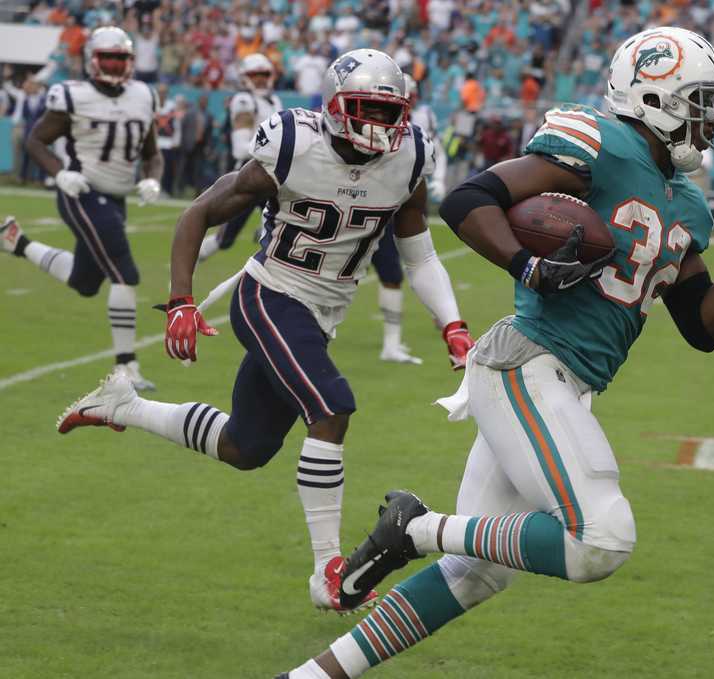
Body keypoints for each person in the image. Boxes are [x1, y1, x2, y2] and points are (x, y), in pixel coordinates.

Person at [278, 27, 714, 678]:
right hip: (527, 363)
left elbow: (703, 327)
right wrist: (528, 267)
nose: (711, 119)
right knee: (602, 538)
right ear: (655, 96)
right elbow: (470, 199)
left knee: (475, 573)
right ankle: (413, 527)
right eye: (700, 102)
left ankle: (312, 674)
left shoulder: (687, 201)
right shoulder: (601, 141)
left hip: (562, 383)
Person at [52, 49, 473, 612]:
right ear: (335, 106)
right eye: (365, 109)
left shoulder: (411, 156)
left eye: (387, 111)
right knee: (331, 408)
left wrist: (453, 325)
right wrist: (180, 300)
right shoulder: (294, 145)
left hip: (322, 313)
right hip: (269, 293)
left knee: (244, 447)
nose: (377, 124)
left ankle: (122, 406)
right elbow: (196, 213)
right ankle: (329, 572)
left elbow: (419, 257)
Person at [1, 27, 162, 390]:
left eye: (121, 58)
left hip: (116, 196)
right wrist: (60, 175)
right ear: (92, 59)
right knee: (125, 272)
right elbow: (36, 140)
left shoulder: (143, 95)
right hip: (82, 190)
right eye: (109, 58)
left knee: (86, 282)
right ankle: (126, 367)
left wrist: (152, 179)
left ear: (131, 61)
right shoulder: (72, 95)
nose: (116, 65)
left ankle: (17, 243)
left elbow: (153, 154)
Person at [370, 73, 460, 365]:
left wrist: (436, 179)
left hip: (402, 197)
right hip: (371, 199)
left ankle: (396, 341)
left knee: (409, 263)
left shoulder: (421, 124)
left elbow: (435, 151)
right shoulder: (374, 122)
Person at [197, 53, 283, 261]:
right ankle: (190, 256)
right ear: (245, 77)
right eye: (255, 74)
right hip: (249, 173)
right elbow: (240, 149)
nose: (261, 79)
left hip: (272, 173)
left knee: (282, 227)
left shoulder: (274, 100)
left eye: (264, 74)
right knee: (224, 240)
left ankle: (266, 231)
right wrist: (275, 149)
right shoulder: (244, 100)